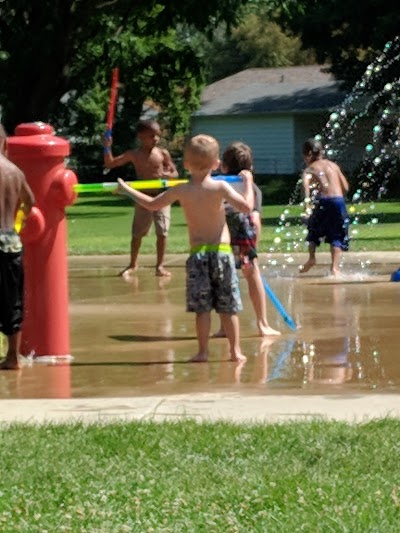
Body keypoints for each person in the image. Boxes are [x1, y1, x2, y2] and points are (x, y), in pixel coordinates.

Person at [116, 134, 253, 363]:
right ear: (216, 163)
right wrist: (248, 182)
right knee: (227, 307)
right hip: (221, 253)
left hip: (198, 255)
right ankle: (235, 352)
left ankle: (203, 352)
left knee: (202, 309)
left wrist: (127, 190)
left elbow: (151, 204)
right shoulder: (220, 187)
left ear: (186, 164)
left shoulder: (181, 189)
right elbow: (247, 207)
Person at [213, 142, 280, 338]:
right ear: (250, 168)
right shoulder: (251, 188)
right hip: (243, 234)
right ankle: (262, 324)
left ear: (223, 166)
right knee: (252, 276)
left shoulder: (217, 183)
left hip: (221, 231)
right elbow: (255, 220)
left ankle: (224, 327)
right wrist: (255, 247)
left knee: (223, 278)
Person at [104, 119, 178, 278]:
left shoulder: (162, 153)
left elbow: (175, 174)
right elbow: (110, 164)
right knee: (137, 233)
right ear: (140, 136)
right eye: (151, 136)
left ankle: (159, 266)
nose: (156, 139)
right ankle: (132, 264)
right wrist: (107, 147)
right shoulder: (134, 154)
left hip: (161, 197)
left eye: (157, 136)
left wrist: (167, 175)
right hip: (143, 198)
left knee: (162, 232)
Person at [0, 125, 35, 370]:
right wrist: (16, 222)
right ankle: (13, 357)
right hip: (11, 241)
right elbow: (30, 201)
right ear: (5, 144)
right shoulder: (15, 172)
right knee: (12, 301)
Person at [299, 138, 350, 276]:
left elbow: (305, 187)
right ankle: (334, 268)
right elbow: (345, 187)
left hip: (321, 201)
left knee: (314, 230)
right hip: (338, 201)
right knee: (337, 235)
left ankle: (311, 258)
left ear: (307, 154)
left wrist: (307, 205)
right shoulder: (333, 166)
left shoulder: (310, 169)